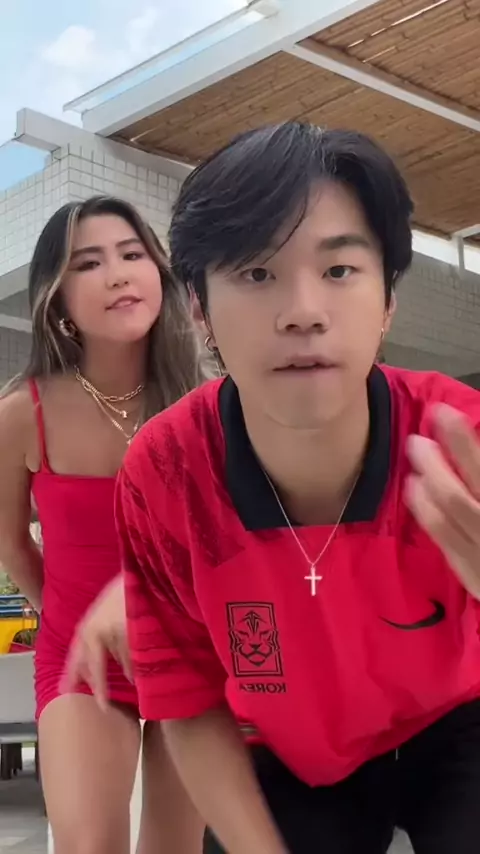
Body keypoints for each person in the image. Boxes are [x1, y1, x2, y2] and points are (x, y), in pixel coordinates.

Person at [117, 121, 480, 854]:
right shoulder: (166, 473)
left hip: (461, 721)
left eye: (340, 270)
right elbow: (186, 699)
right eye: (257, 274)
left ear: (388, 299)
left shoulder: (459, 439)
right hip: (293, 753)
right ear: (198, 308)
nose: (303, 311)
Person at [0, 195, 205, 854]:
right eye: (88, 263)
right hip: (79, 659)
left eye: (131, 254)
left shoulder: (204, 405)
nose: (117, 275)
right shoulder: (22, 412)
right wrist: (71, 617)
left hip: (191, 654)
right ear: (58, 299)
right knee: (89, 845)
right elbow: (10, 543)